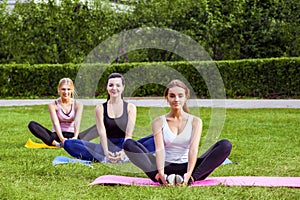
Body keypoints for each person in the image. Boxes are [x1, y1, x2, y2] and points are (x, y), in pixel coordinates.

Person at [123, 79, 232, 185]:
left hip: (189, 168)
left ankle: (191, 179)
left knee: (225, 145)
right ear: (167, 97)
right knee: (128, 144)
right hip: (165, 167)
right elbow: (160, 150)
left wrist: (189, 173)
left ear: (186, 97)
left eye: (180, 96)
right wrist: (160, 172)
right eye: (172, 96)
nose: (176, 99)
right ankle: (158, 177)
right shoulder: (158, 122)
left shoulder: (195, 122)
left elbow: (193, 150)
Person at [63, 73, 155, 163]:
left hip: (126, 147)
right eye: (111, 85)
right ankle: (104, 158)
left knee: (157, 137)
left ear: (123, 88)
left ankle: (125, 156)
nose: (114, 88)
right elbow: (102, 133)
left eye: (118, 85)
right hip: (104, 147)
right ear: (107, 87)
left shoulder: (130, 107)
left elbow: (128, 135)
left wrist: (123, 152)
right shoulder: (100, 108)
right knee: (69, 143)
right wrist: (106, 152)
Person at [28, 78, 84, 147]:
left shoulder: (78, 104)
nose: (66, 92)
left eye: (68, 89)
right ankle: (56, 144)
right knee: (32, 124)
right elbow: (56, 123)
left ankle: (75, 142)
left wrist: (75, 137)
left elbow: (77, 123)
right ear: (59, 90)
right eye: (63, 89)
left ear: (72, 90)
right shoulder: (53, 105)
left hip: (73, 135)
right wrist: (62, 139)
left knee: (96, 128)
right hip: (56, 136)